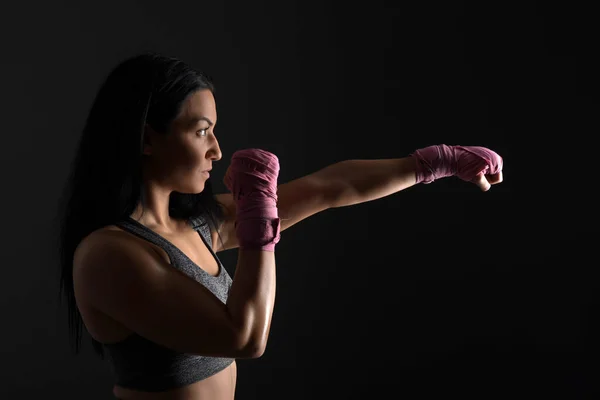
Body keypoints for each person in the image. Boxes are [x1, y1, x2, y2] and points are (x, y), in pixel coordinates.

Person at [56, 51, 504, 400]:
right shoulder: (108, 255)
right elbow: (245, 337)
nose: (216, 150)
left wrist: (434, 163)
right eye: (201, 131)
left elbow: (330, 187)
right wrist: (257, 221)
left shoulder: (194, 225)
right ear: (147, 138)